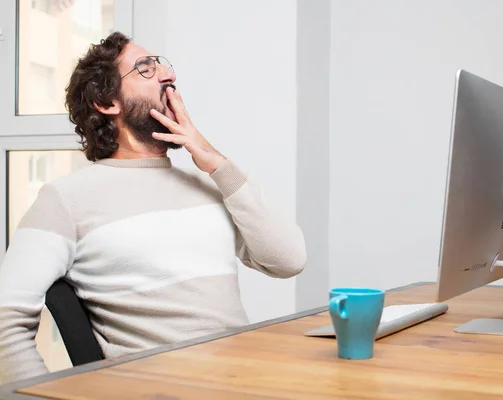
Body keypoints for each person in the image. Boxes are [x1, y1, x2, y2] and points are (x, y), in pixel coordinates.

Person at [0, 31, 306, 384]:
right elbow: (7, 316)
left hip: (245, 382)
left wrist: (217, 162)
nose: (168, 75)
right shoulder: (65, 199)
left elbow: (289, 260)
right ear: (106, 101)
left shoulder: (208, 184)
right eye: (145, 69)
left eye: (164, 66)